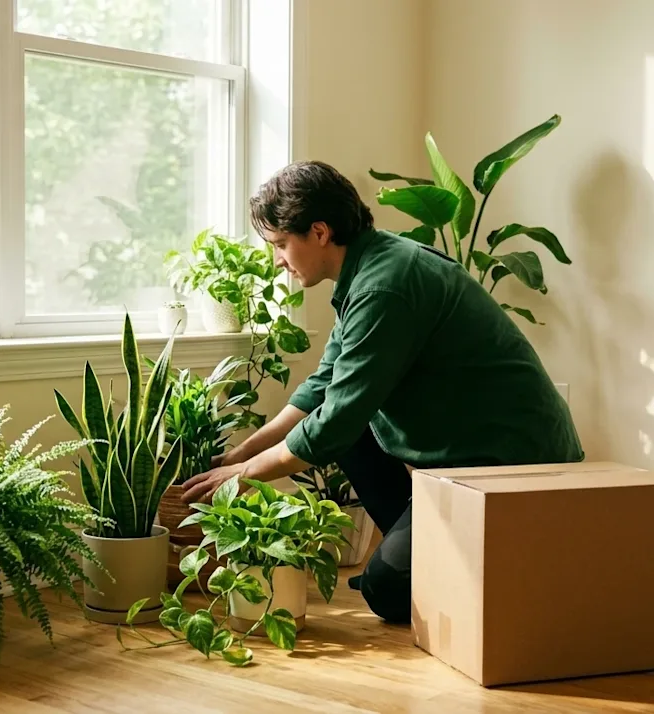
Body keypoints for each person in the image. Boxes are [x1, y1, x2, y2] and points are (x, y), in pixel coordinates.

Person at [180, 160, 583, 623]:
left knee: (388, 592)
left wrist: (244, 475)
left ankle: (452, 564)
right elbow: (324, 385)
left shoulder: (386, 285)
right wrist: (241, 453)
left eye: (280, 245)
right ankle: (434, 550)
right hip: (466, 457)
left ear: (319, 232)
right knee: (352, 435)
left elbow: (335, 422)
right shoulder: (370, 269)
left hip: (512, 462)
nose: (278, 260)